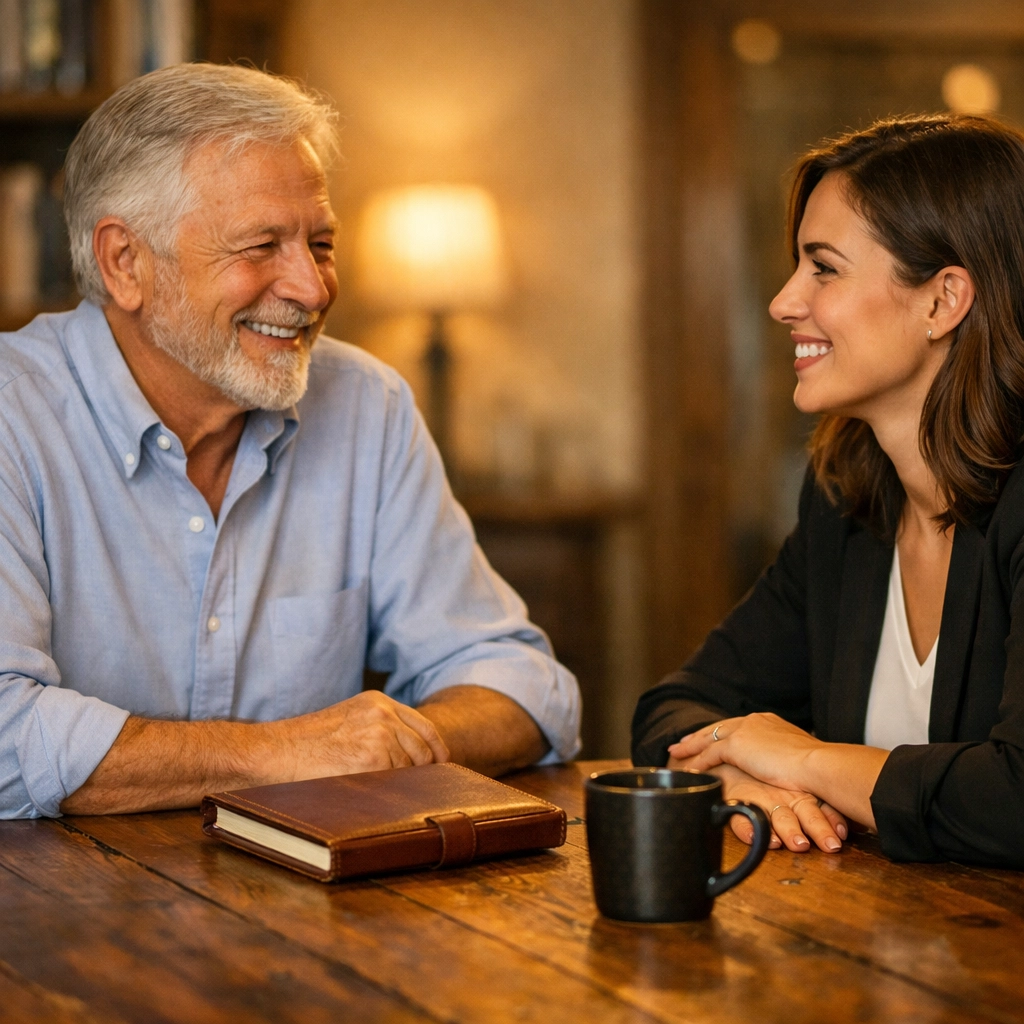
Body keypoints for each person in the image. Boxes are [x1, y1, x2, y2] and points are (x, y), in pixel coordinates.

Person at [0, 64, 580, 819]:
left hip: (308, 883)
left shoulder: (368, 405)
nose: (312, 288)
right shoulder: (13, 417)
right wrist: (288, 754)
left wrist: (388, 745)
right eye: (261, 246)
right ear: (125, 262)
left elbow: (522, 684)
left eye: (321, 243)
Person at [632, 113, 1024, 868]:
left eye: (824, 268)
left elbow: (1014, 799)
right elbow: (672, 707)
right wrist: (740, 774)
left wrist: (801, 759)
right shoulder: (847, 501)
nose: (784, 302)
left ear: (943, 300)